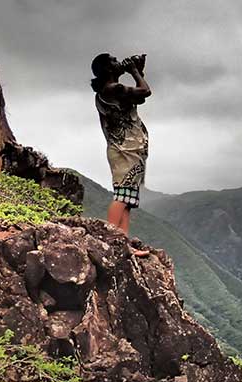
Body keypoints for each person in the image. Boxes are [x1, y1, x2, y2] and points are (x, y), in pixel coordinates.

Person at [90, 52, 151, 257]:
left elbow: (137, 99)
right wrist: (134, 71)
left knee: (127, 198)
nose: (119, 63)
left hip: (129, 150)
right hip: (124, 150)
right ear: (107, 69)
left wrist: (138, 71)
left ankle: (122, 242)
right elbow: (145, 92)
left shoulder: (111, 91)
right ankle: (111, 240)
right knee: (122, 196)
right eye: (114, 61)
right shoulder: (112, 89)